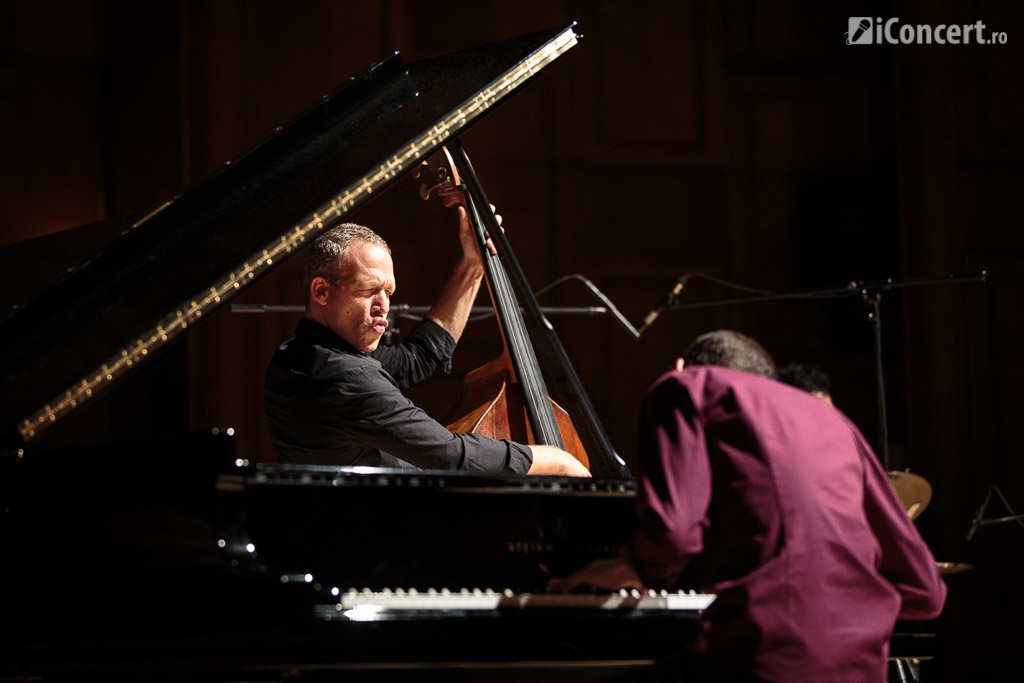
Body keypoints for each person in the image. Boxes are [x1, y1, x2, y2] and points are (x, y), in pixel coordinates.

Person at [555, 330, 946, 682]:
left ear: (680, 366)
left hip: (765, 661)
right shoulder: (833, 420)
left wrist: (633, 565)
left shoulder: (686, 384)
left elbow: (673, 537)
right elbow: (925, 588)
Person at [264, 200, 589, 477]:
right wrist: (551, 459)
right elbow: (449, 454)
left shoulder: (294, 355)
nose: (383, 306)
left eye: (388, 292)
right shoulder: (347, 377)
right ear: (321, 290)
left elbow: (419, 358)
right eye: (368, 291)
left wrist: (473, 265)